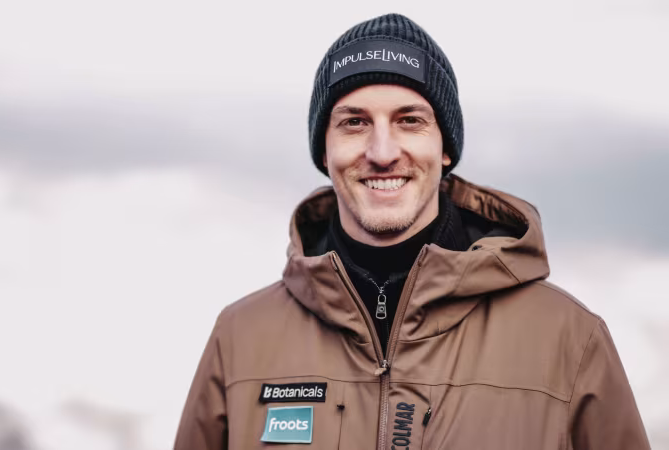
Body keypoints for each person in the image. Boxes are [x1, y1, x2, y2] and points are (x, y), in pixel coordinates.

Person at [174, 13, 650, 450]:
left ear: (445, 148)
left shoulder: (568, 340)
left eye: (409, 121)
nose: (382, 152)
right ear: (324, 150)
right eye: (354, 122)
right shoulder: (240, 338)